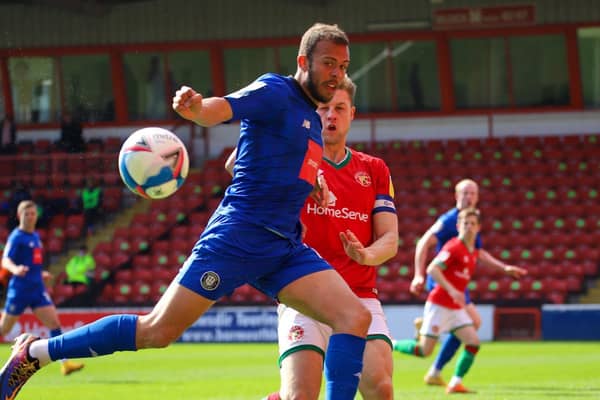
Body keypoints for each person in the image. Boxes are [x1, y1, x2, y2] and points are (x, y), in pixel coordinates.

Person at [0, 23, 371, 400]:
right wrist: (197, 109)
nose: (337, 73)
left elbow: (240, 162)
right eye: (329, 63)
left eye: (343, 66)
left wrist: (314, 182)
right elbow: (220, 109)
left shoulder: (311, 120)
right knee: (156, 332)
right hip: (238, 236)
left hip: (283, 247)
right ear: (303, 61)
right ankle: (35, 353)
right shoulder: (275, 91)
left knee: (354, 317)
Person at [233, 78, 397, 400]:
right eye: (323, 108)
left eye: (339, 109)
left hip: (359, 294)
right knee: (300, 396)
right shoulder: (293, 160)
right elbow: (238, 170)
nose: (330, 116)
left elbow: (390, 238)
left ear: (353, 113)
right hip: (305, 295)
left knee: (381, 388)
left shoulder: (374, 169)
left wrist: (365, 254)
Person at [408, 179, 527, 386]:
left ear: (478, 197)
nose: (468, 197)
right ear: (456, 196)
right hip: (442, 282)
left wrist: (504, 268)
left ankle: (433, 360)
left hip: (458, 284)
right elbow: (424, 243)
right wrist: (418, 274)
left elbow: (479, 253)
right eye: (464, 193)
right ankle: (434, 365)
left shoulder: (471, 221)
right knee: (470, 325)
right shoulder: (449, 220)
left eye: (472, 193)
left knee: (471, 325)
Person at [394, 208, 484, 394]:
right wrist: (452, 290)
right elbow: (433, 269)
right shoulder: (453, 247)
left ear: (478, 228)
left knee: (473, 342)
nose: (468, 227)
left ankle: (455, 383)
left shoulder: (473, 250)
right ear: (458, 226)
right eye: (464, 223)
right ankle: (392, 343)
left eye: (472, 224)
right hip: (440, 304)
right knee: (423, 351)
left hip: (455, 307)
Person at [0, 200, 84, 377]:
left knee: (54, 323)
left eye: (32, 213)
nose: (30, 217)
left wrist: (40, 274)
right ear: (19, 216)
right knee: (4, 329)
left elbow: (33, 264)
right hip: (20, 290)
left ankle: (65, 364)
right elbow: (6, 260)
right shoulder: (17, 236)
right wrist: (16, 269)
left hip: (37, 290)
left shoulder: (35, 237)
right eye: (26, 214)